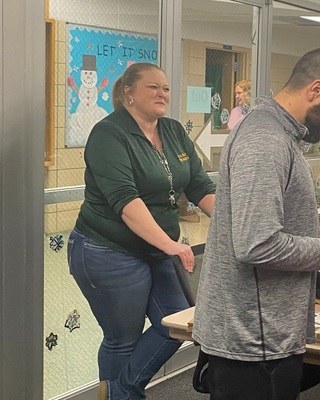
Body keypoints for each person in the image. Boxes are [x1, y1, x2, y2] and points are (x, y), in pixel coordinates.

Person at [192, 47, 320, 400]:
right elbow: (257, 243)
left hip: (264, 333)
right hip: (255, 341)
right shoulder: (265, 140)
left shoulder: (279, 135)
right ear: (316, 90)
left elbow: (274, 237)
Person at [67, 62, 216, 400]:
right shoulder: (109, 134)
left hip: (156, 250)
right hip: (107, 250)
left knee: (178, 324)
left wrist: (233, 223)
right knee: (124, 337)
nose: (162, 93)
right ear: (128, 93)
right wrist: (172, 245)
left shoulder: (174, 131)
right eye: (153, 87)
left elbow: (198, 184)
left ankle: (119, 392)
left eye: (165, 87)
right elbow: (126, 201)